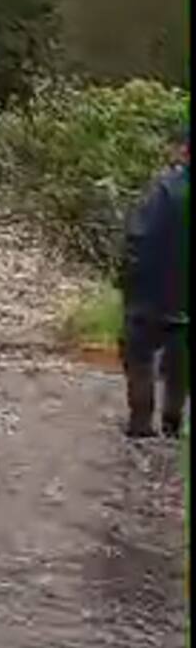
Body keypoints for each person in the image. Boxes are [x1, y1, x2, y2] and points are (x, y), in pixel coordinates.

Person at [120, 125, 190, 438]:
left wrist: (126, 279)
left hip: (152, 292)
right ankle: (173, 422)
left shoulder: (164, 188)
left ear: (184, 152)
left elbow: (139, 237)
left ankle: (141, 422)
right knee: (181, 361)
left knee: (138, 355)